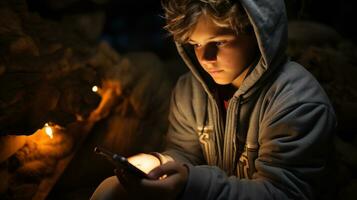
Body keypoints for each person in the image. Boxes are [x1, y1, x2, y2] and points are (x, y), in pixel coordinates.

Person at [91, 0, 336, 199]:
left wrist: (189, 184)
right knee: (110, 189)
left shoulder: (298, 102)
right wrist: (159, 162)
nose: (206, 58)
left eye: (219, 42)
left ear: (258, 34)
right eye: (196, 44)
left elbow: (282, 193)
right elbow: (186, 153)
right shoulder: (190, 89)